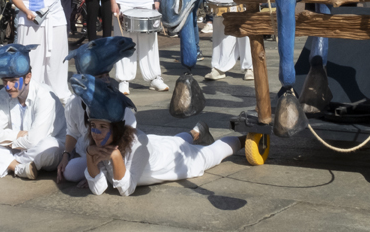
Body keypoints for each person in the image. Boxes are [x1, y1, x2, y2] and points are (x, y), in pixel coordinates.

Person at [62, 74, 240, 196]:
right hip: (159, 144)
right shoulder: (97, 143)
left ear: (116, 128)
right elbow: (98, 189)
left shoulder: (137, 147)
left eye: (102, 126)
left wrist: (115, 156)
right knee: (177, 140)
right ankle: (196, 131)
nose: (96, 133)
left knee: (213, 153)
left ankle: (245, 139)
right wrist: (90, 157)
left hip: (172, 160)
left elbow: (126, 190)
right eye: (93, 126)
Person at [0, 43, 64, 179]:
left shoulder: (45, 96)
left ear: (28, 77)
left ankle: (1, 163)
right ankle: (17, 167)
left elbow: (35, 141)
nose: (8, 86)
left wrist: (8, 140)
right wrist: (19, 134)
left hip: (41, 151)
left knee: (51, 146)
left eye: (13, 81)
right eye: (5, 81)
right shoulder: (2, 94)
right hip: (17, 149)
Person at [57, 37, 138, 182]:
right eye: (100, 77)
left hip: (116, 153)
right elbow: (72, 132)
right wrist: (66, 155)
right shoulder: (73, 104)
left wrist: (96, 172)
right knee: (70, 171)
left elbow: (127, 139)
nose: (106, 81)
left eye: (107, 76)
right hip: (89, 153)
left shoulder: (118, 104)